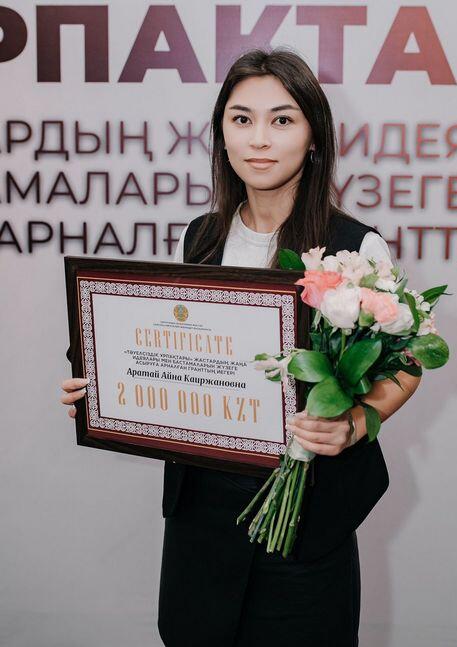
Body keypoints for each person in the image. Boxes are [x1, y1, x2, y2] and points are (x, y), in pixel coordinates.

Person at [60, 47, 422, 647]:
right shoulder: (200, 237)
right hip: (201, 517)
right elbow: (181, 358)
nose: (259, 139)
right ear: (221, 134)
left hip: (304, 518)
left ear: (313, 135)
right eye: (241, 119)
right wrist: (106, 390)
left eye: (282, 120)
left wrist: (354, 424)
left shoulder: (355, 247)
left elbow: (406, 363)